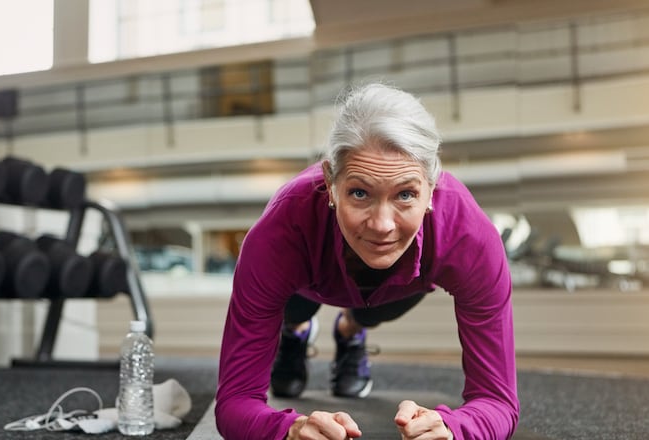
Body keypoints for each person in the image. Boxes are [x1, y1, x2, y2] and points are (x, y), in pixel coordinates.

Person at [214, 81, 519, 440]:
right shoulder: (280, 233)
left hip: (403, 285)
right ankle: (295, 332)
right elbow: (234, 402)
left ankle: (349, 330)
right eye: (359, 192)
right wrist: (289, 430)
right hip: (305, 284)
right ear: (330, 183)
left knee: (373, 312)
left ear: (432, 187)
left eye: (405, 194)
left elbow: (498, 401)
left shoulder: (470, 237)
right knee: (294, 313)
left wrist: (455, 430)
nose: (382, 226)